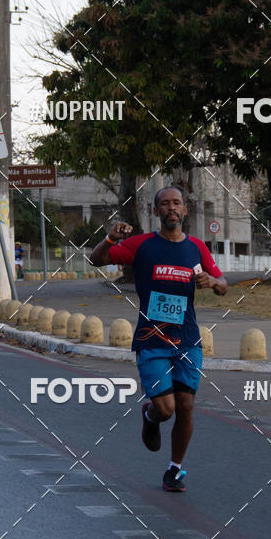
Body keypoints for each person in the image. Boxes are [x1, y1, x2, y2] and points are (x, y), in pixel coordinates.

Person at [90, 186, 227, 492]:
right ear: (156, 212)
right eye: (164, 204)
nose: (171, 208)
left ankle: (175, 469)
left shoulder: (196, 248)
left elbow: (223, 284)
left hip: (188, 339)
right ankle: (150, 417)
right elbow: (96, 260)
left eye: (176, 203)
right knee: (166, 409)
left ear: (185, 210)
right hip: (152, 339)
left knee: (186, 406)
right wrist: (111, 238)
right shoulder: (141, 245)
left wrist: (214, 281)